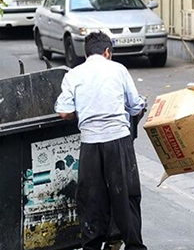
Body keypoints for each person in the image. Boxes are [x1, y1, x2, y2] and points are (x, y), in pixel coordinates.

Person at [55, 32, 147, 250]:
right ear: (107, 52)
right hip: (118, 141)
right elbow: (135, 106)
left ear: (86, 53)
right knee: (126, 196)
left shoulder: (73, 75)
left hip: (90, 144)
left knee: (92, 199)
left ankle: (92, 246)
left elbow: (64, 111)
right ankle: (134, 245)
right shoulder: (118, 69)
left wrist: (83, 112)